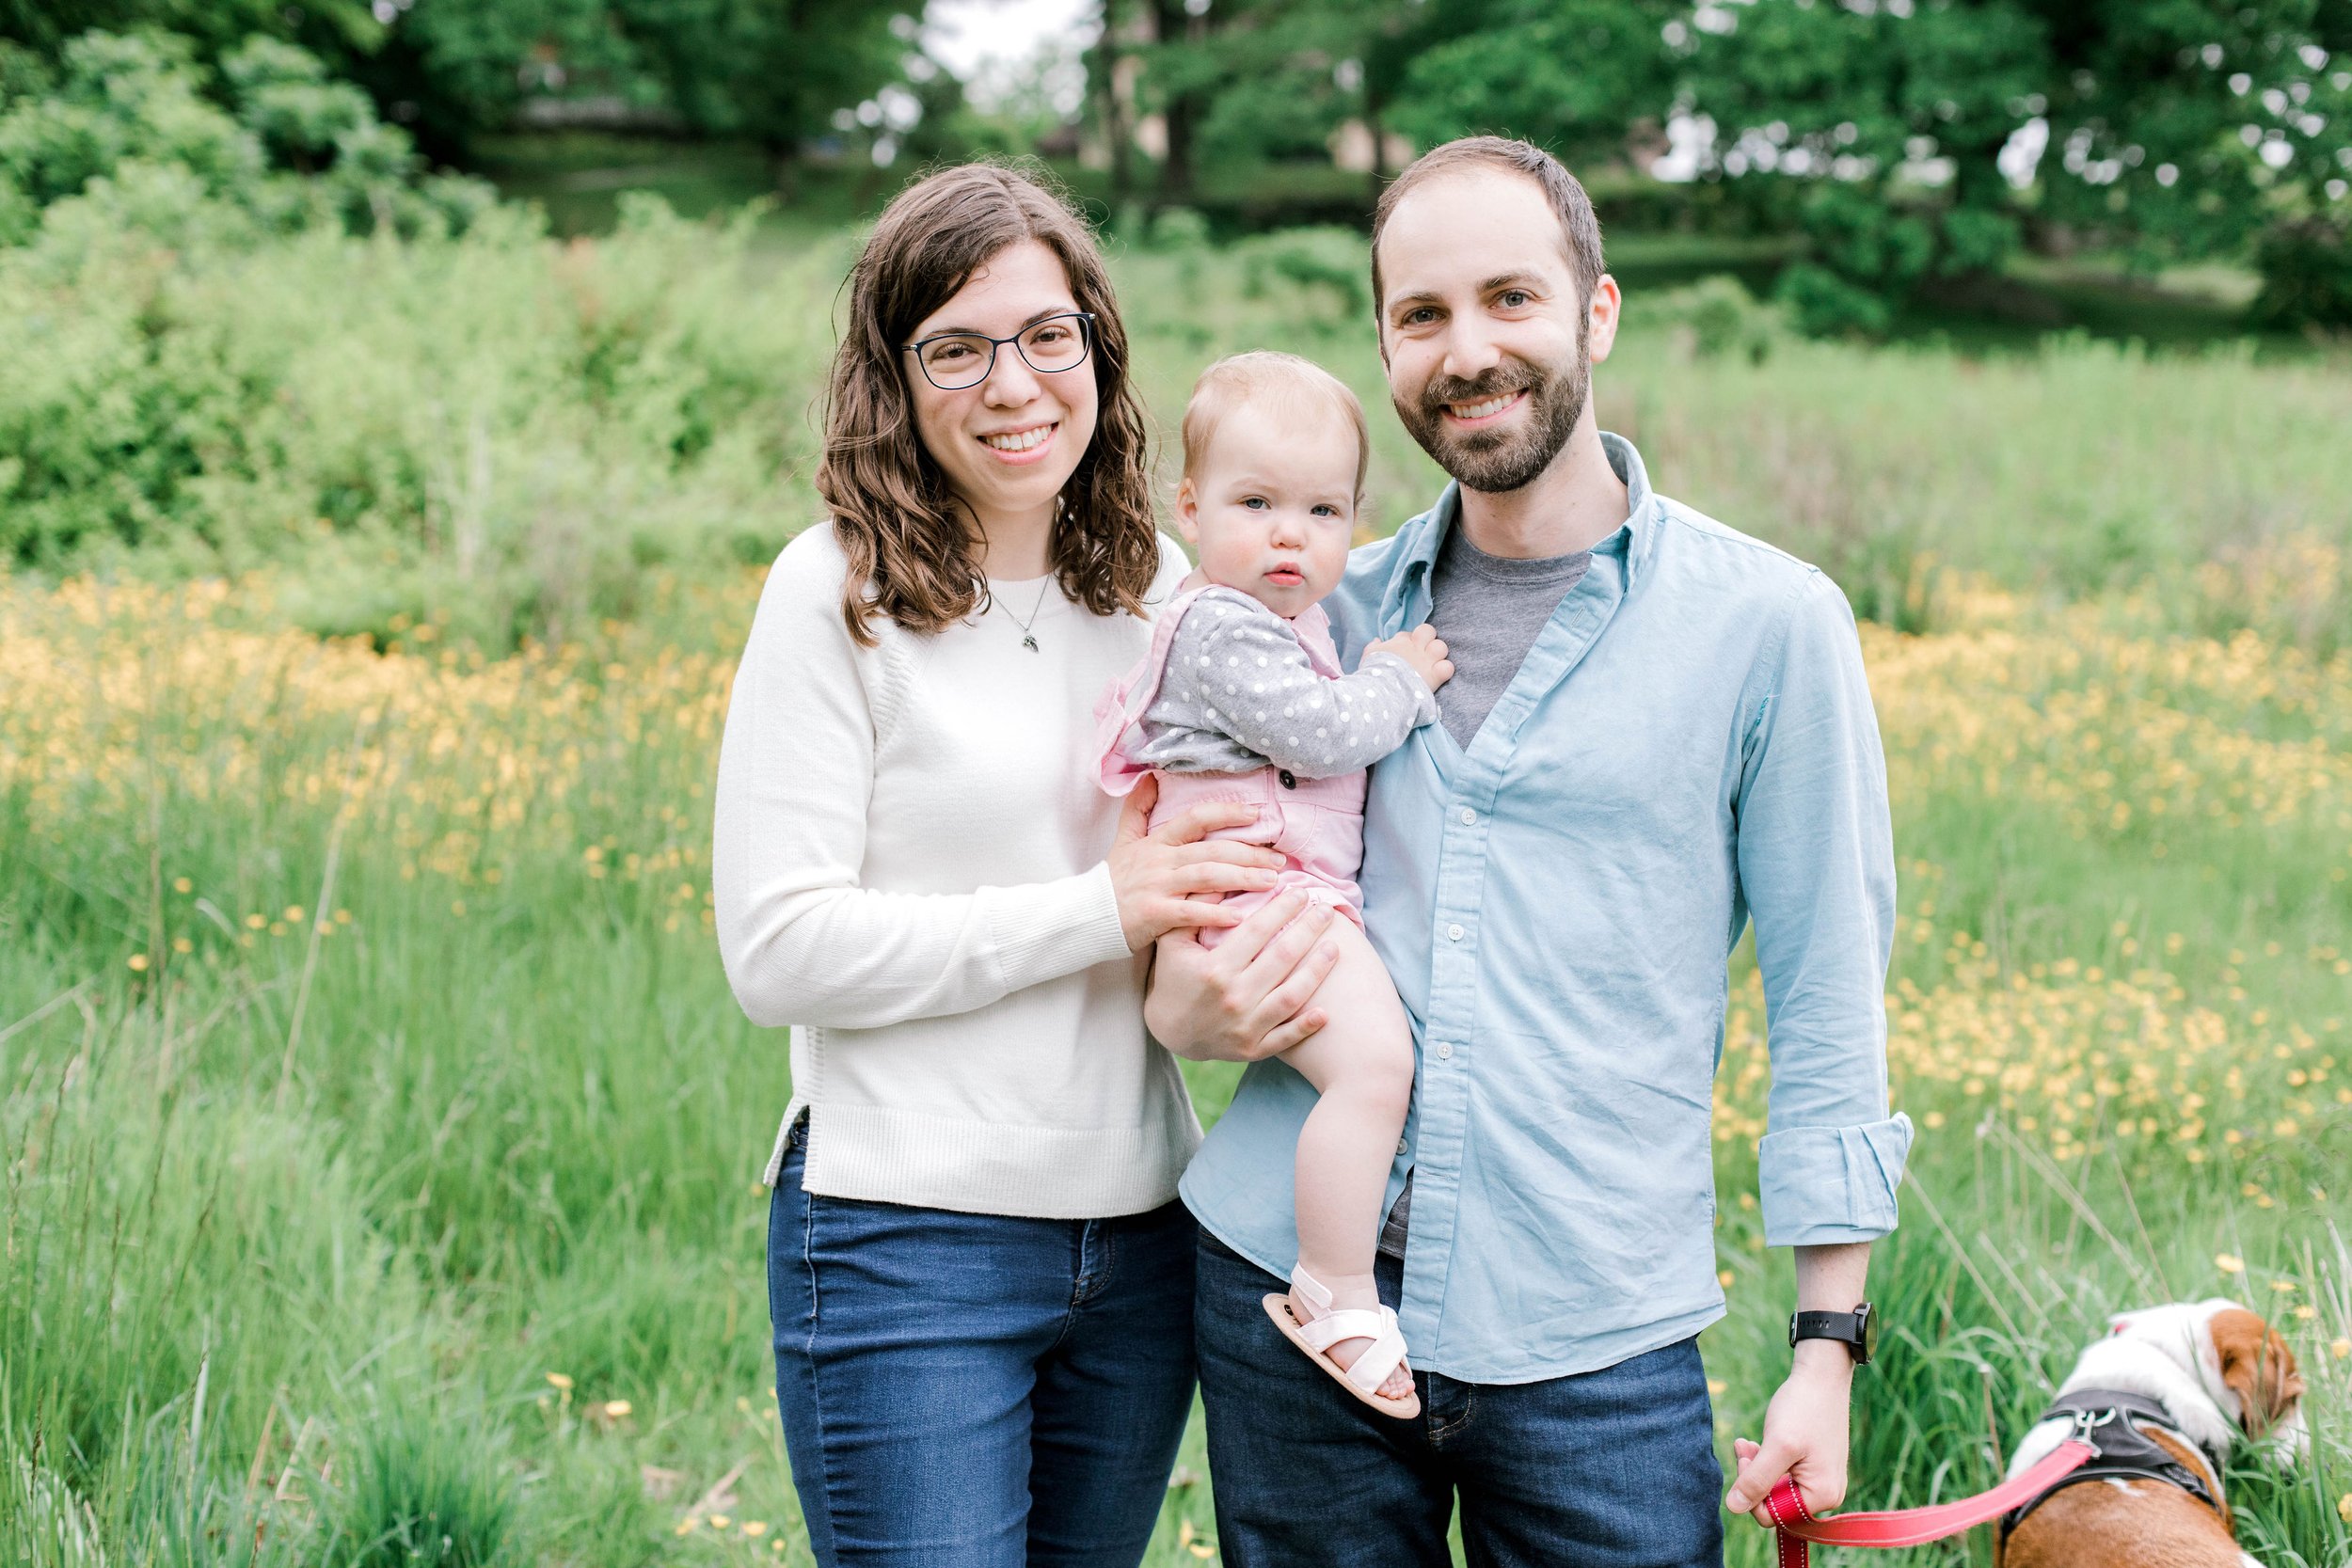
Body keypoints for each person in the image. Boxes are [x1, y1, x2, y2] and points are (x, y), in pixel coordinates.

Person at [1148, 137, 1913, 1566]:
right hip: (1293, 1305)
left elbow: (1828, 996)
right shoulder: (1317, 609)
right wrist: (1185, 997)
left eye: (1512, 297)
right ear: (1384, 344)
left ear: (1597, 311)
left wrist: (1827, 1340)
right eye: (1421, 315)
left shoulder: (1770, 625)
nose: (1468, 349)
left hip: (1592, 1337)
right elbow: (1188, 898)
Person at [711, 163, 1285, 1568]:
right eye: (955, 347)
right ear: (894, 382)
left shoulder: (1167, 594)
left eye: (1045, 334)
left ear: (1096, 342)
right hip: (907, 1242)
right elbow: (776, 948)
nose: (1013, 382)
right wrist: (1101, 909)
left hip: (1147, 1233)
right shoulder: (832, 590)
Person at [1094, 352, 1453, 1418]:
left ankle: (1334, 1278)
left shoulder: (1280, 618)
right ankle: (1334, 1285)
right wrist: (1399, 673)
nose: (1290, 534)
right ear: (1192, 509)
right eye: (1256, 504)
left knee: (1368, 1066)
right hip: (1260, 896)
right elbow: (1323, 730)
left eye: (1323, 509)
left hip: (1279, 892)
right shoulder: (1219, 626)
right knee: (1376, 1070)